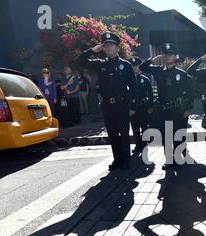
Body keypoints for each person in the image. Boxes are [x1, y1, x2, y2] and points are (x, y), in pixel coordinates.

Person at [75, 32, 138, 170]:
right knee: (112, 134)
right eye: (106, 45)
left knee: (124, 133)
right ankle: (117, 159)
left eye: (112, 45)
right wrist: (93, 50)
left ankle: (126, 159)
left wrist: (133, 106)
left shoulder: (126, 65)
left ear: (117, 47)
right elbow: (78, 61)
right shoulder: (100, 64)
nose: (109, 48)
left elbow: (134, 87)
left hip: (121, 105)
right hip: (106, 106)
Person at [139, 43, 194, 170]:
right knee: (166, 137)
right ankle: (169, 160)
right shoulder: (158, 71)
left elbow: (190, 93)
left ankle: (179, 158)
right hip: (163, 110)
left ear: (175, 56)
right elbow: (143, 67)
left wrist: (188, 109)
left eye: (170, 54)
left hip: (178, 110)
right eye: (166, 54)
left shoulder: (182, 73)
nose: (168, 56)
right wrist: (154, 59)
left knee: (178, 135)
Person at [129, 57, 153, 153]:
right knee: (134, 128)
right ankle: (138, 146)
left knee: (144, 127)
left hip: (143, 108)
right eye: (132, 66)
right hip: (132, 108)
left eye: (136, 66)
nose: (134, 68)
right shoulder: (128, 80)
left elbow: (150, 94)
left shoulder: (145, 79)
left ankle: (144, 145)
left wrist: (150, 107)